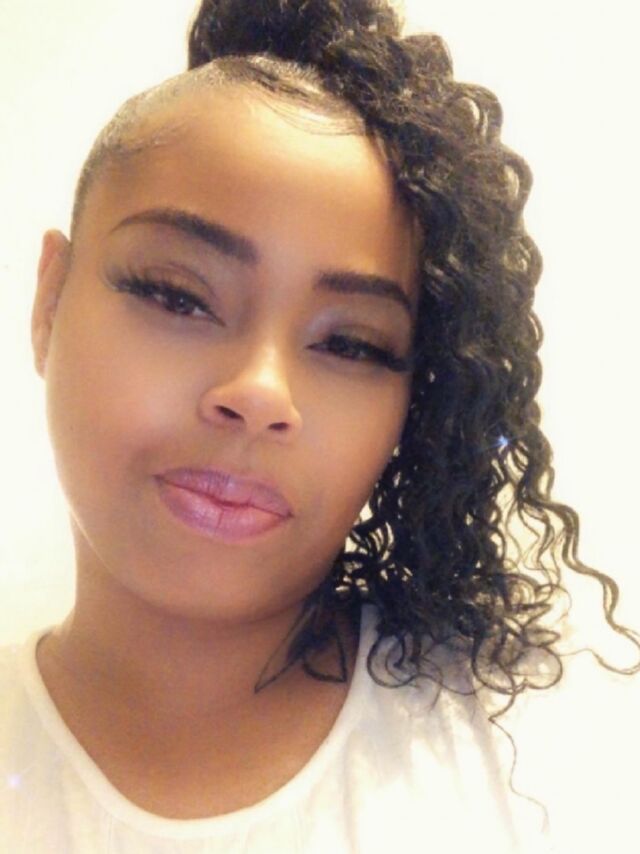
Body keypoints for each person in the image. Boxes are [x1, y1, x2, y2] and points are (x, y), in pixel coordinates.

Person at [1, 1, 639, 851]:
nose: (261, 392)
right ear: (50, 301)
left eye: (351, 344)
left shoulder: (566, 745)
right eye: (178, 297)